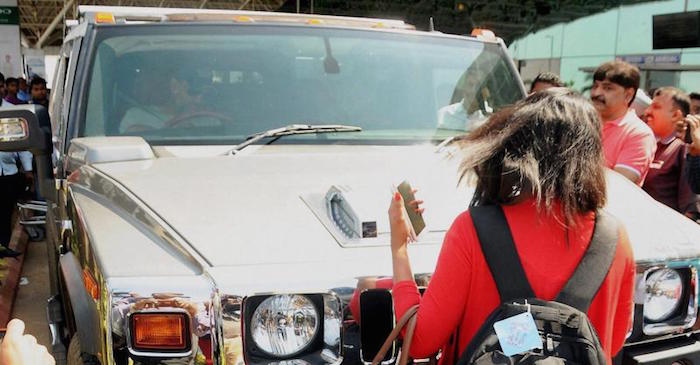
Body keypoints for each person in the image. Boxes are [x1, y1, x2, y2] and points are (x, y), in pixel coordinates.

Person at [388, 88, 635, 364]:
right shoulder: (614, 238)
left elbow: (420, 341)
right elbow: (609, 343)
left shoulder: (475, 229)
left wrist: (399, 249)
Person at [590, 61, 656, 186]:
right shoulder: (583, 123)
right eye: (595, 86)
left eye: (607, 88)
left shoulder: (639, 134)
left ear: (628, 95)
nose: (596, 93)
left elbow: (619, 187)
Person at [641, 88, 700, 217]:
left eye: (656, 107)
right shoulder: (644, 144)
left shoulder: (685, 149)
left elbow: (690, 209)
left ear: (675, 115)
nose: (647, 112)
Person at [0, 151, 32, 258]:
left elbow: (23, 150)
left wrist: (28, 170)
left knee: (6, 212)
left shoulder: (8, 133)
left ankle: (4, 246)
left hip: (9, 175)